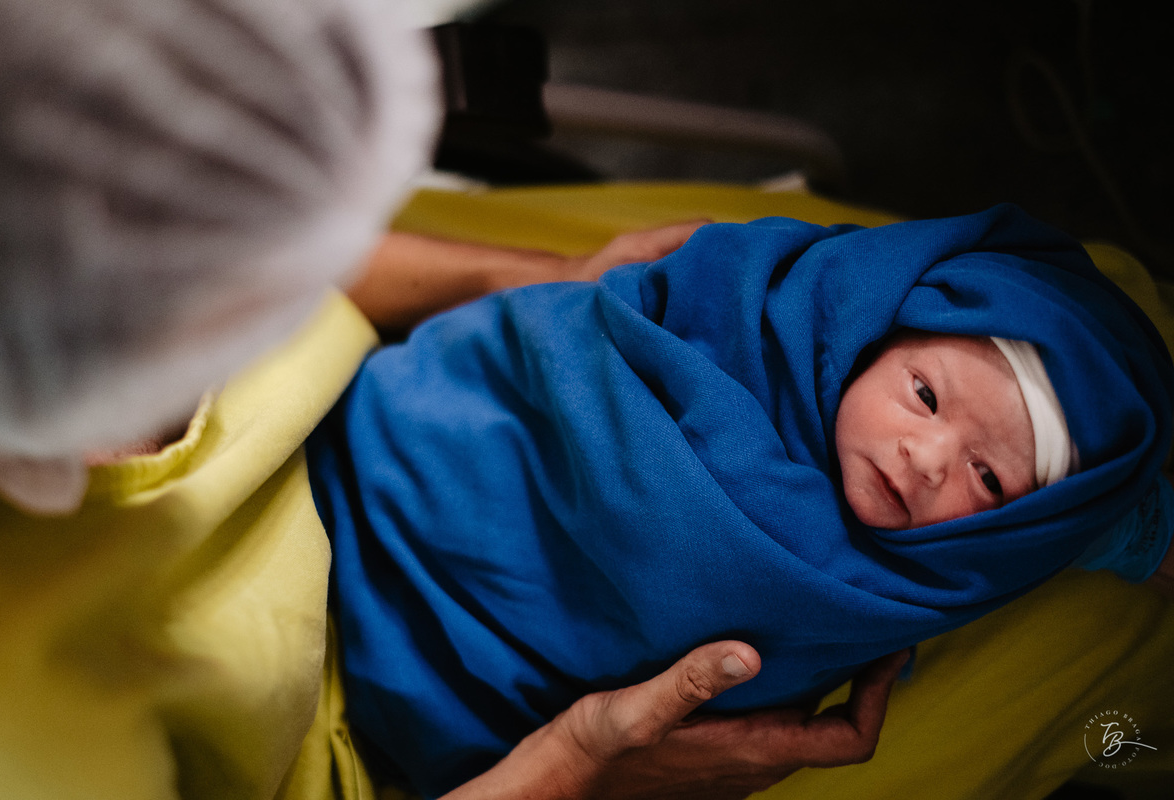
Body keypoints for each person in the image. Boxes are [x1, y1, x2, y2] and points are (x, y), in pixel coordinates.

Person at [0, 1, 906, 798]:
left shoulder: (72, 168)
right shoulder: (27, 753)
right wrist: (582, 763)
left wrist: (540, 276)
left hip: (399, 406)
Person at [310, 204, 1174, 796]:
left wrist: (561, 273)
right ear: (864, 337)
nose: (926, 458)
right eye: (923, 396)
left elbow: (1055, 512)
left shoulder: (777, 311)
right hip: (401, 494)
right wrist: (580, 760)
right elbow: (562, 363)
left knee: (1114, 302)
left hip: (317, 402)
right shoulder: (746, 331)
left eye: (986, 480)